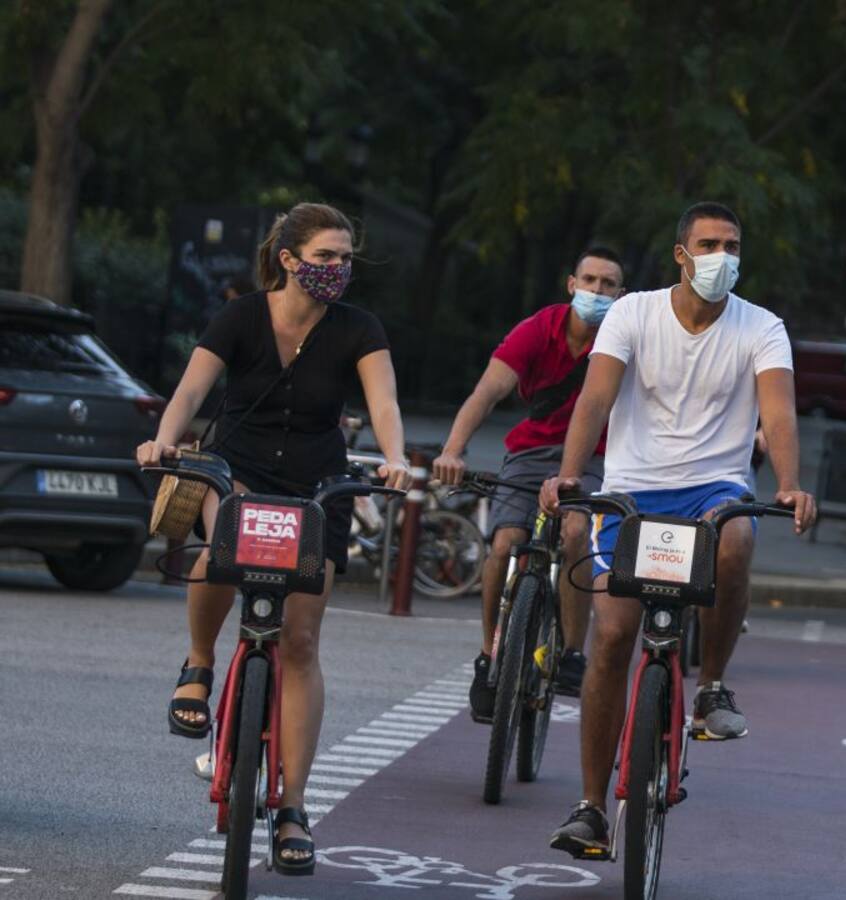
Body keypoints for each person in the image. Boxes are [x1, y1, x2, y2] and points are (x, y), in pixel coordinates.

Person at [135, 202, 411, 876]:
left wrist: (395, 458)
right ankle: (198, 666)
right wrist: (167, 440)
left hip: (318, 485)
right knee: (219, 551)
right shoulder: (239, 318)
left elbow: (383, 404)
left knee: (302, 641)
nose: (338, 269)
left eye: (345, 258)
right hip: (237, 470)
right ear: (289, 260)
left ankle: (292, 805)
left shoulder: (359, 328)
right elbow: (193, 388)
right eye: (325, 257)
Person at [539, 202, 817, 856]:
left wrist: (788, 482)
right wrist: (571, 473)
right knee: (612, 637)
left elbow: (778, 411)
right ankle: (590, 807)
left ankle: (712, 687)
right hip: (632, 488)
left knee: (741, 538)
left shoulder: (763, 327)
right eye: (709, 243)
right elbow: (597, 398)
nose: (722, 256)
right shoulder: (634, 313)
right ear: (681, 254)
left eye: (733, 244)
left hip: (713, 489)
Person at [432, 247, 625, 722]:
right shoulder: (539, 328)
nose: (597, 291)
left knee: (578, 531)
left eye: (608, 284)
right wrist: (453, 449)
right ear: (571, 283)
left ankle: (572, 653)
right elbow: (488, 391)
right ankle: (489, 654)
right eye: (591, 280)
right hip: (530, 454)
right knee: (504, 545)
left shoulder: (624, 338)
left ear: (621, 295)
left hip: (597, 459)